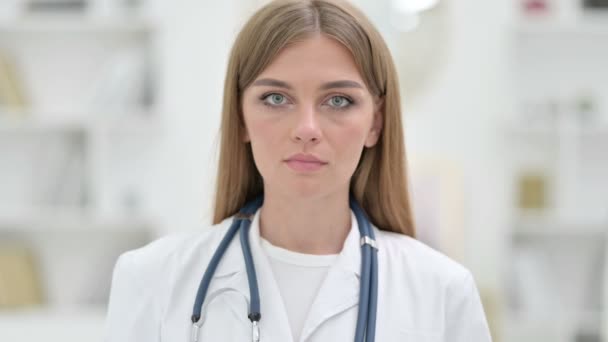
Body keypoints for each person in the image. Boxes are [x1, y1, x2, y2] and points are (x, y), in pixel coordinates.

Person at [104, 0, 493, 341]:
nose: (307, 129)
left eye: (338, 100)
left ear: (375, 123)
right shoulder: (151, 279)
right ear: (240, 116)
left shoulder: (442, 292)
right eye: (276, 98)